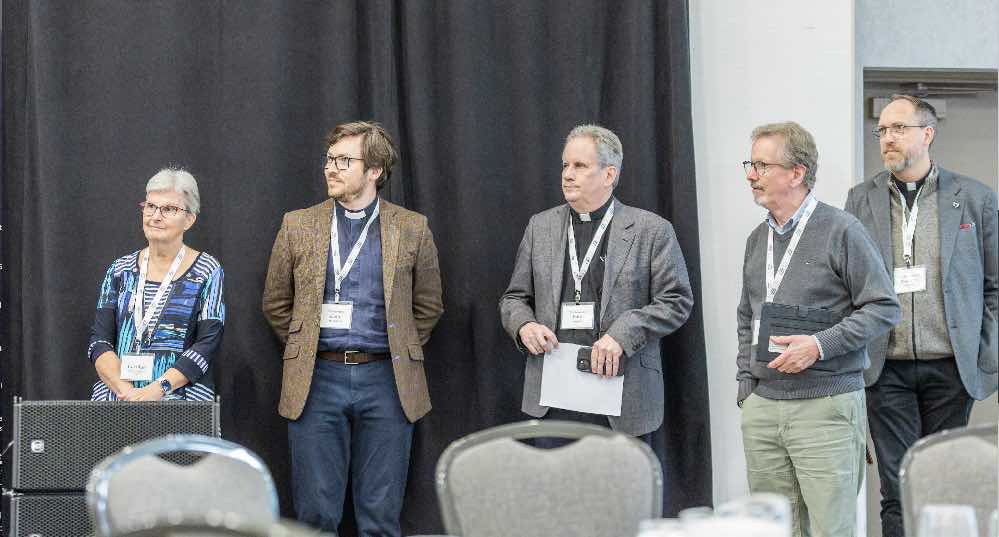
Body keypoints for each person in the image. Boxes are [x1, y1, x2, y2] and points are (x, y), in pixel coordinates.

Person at [262, 121, 443, 536]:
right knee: (315, 514)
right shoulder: (297, 224)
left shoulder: (412, 227)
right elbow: (275, 302)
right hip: (316, 377)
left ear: (375, 170)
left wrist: (399, 346)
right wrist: (303, 344)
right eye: (329, 159)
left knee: (380, 515)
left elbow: (429, 304)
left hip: (388, 378)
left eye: (344, 161)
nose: (331, 168)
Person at [844, 94, 998, 537]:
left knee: (946, 484)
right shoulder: (861, 200)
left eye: (898, 129)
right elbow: (849, 285)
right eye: (883, 131)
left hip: (951, 368)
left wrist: (986, 350)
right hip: (884, 368)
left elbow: (995, 285)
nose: (887, 139)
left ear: (927, 134)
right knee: (897, 487)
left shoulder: (975, 199)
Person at [736, 122, 900, 537]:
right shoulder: (758, 239)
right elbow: (746, 315)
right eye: (750, 164)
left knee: (831, 530)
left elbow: (883, 307)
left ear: (796, 173)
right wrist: (747, 387)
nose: (751, 175)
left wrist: (819, 345)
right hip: (765, 407)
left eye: (761, 165)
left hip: (825, 407)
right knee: (773, 530)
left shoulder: (843, 230)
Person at [498, 124, 693, 441]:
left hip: (621, 398)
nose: (567, 174)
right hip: (554, 395)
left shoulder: (651, 230)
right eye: (565, 165)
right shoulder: (540, 226)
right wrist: (524, 326)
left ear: (609, 175)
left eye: (580, 166)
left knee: (619, 491)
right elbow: (514, 298)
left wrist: (623, 333)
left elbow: (676, 301)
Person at [89, 167, 224, 402]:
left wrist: (156, 390)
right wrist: (127, 392)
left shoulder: (207, 270)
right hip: (120, 395)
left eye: (169, 209)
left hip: (179, 396)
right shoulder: (120, 269)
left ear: (189, 219)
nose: (156, 216)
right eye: (150, 206)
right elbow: (99, 341)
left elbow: (207, 344)